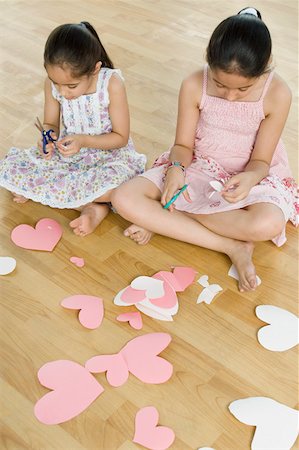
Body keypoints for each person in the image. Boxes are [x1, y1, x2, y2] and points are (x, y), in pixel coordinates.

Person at [112, 7, 298, 292]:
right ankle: (230, 245)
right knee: (125, 198)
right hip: (199, 166)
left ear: (265, 68)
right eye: (221, 85)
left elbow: (261, 160)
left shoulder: (278, 94)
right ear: (208, 61)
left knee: (268, 224)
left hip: (249, 173)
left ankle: (165, 218)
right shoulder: (193, 83)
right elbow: (183, 146)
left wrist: (248, 179)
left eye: (243, 89)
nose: (230, 97)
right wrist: (176, 170)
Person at [0, 22, 146, 236]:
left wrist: (84, 141)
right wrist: (47, 138)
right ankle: (93, 206)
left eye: (71, 86)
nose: (63, 92)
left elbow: (120, 137)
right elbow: (51, 124)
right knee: (10, 170)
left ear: (95, 69)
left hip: (109, 154)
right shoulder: (54, 85)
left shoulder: (111, 83)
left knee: (118, 190)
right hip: (69, 155)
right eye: (56, 83)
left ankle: (82, 200)